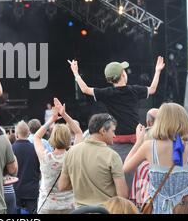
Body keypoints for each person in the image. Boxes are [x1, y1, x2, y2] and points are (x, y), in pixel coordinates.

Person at [68, 56, 165, 189]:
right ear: (123, 75)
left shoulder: (108, 93)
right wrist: (158, 70)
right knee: (138, 176)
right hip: (136, 139)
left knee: (117, 175)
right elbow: (153, 89)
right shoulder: (134, 90)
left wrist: (76, 73)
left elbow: (85, 89)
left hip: (116, 140)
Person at [123, 103, 188, 214]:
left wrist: (138, 142)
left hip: (157, 209)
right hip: (186, 209)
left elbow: (125, 168)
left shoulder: (149, 146)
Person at [58, 113, 129, 207]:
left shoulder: (71, 152)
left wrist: (82, 185)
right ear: (103, 131)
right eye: (113, 131)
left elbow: (62, 186)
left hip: (80, 210)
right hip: (106, 209)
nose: (114, 135)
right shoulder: (112, 156)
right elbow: (123, 195)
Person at [34, 98, 83, 214]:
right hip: (70, 206)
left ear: (52, 138)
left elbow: (36, 137)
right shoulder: (73, 155)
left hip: (47, 206)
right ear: (68, 138)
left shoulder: (45, 157)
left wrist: (52, 119)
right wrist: (64, 114)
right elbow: (78, 132)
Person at [130, 108, 158, 206]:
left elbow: (127, 166)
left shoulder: (142, 135)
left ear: (148, 122)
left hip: (144, 173)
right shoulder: (169, 137)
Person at [12, 120, 40, 214]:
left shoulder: (11, 149)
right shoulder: (35, 148)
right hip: (32, 190)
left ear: (16, 134)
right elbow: (40, 169)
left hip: (16, 190)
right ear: (28, 133)